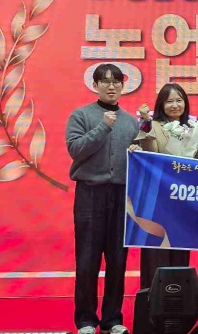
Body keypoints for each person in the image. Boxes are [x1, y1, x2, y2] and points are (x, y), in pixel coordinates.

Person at [65, 64, 140, 334]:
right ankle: (86, 320)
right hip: (90, 193)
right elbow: (76, 150)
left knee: (118, 260)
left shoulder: (131, 122)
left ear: (122, 86)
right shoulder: (81, 115)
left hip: (121, 194)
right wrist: (103, 128)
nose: (111, 86)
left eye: (116, 81)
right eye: (105, 81)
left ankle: (112, 320)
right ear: (95, 85)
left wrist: (138, 150)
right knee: (87, 259)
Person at [136, 83, 198, 290]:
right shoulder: (154, 125)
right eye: (169, 101)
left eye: (179, 100)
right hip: (159, 197)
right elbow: (150, 150)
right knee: (156, 248)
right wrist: (146, 124)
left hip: (183, 199)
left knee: (179, 248)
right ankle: (153, 297)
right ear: (161, 105)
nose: (175, 105)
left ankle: (178, 297)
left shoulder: (194, 127)